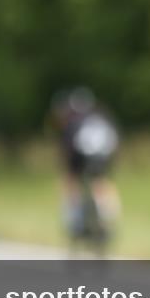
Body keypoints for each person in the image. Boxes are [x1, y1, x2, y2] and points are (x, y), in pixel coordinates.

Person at [50, 87, 121, 250]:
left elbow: (67, 151)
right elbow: (116, 138)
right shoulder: (103, 116)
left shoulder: (73, 121)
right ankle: (108, 218)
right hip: (105, 153)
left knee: (71, 181)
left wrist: (68, 169)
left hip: (81, 153)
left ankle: (74, 220)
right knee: (102, 183)